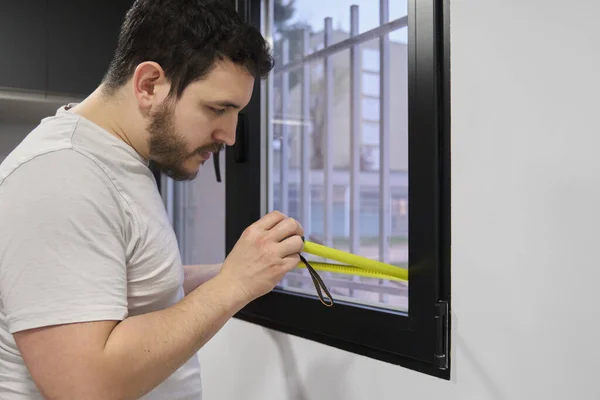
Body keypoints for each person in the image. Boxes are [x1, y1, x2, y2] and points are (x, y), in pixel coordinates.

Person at [0, 0, 305, 399]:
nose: (229, 136)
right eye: (217, 109)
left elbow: (129, 289)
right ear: (148, 84)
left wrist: (243, 268)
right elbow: (83, 387)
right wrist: (234, 283)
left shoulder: (115, 161)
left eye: (237, 115)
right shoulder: (61, 174)